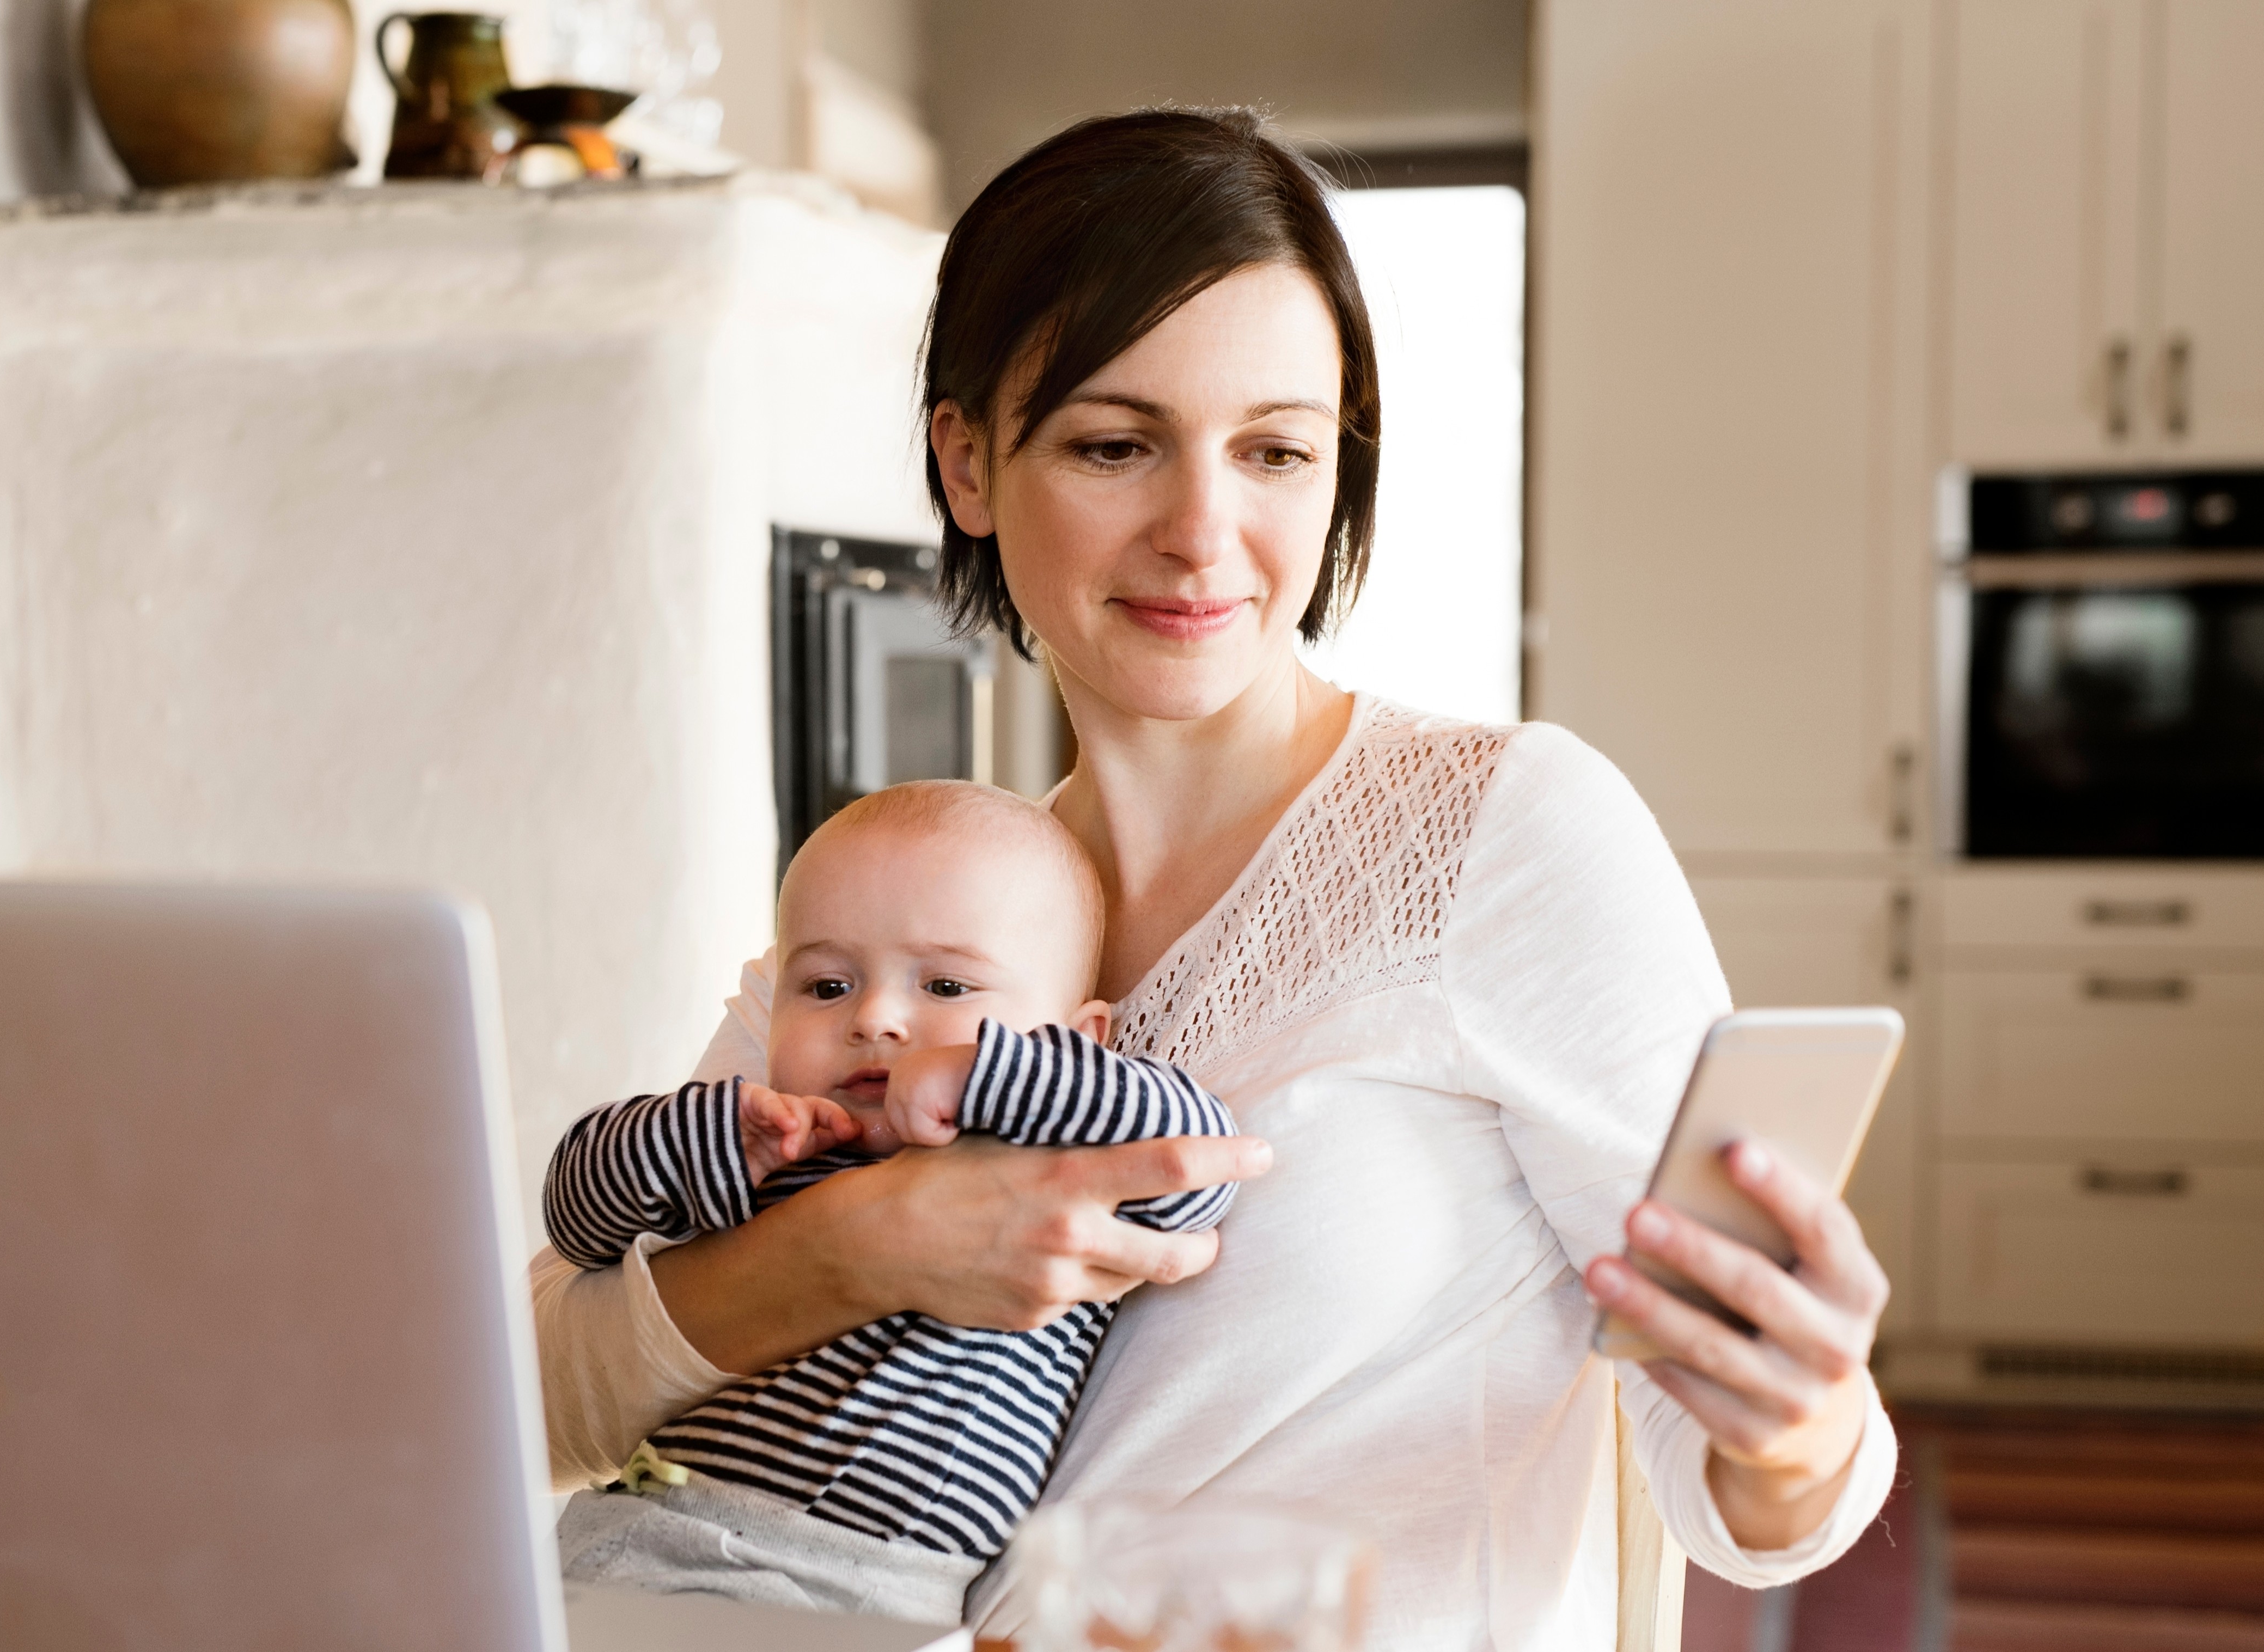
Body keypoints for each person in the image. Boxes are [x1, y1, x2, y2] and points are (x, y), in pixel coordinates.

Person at [530, 107, 1898, 1647]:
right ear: (968, 462)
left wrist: (1795, 1423)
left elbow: (1757, 1501)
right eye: (1116, 446)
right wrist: (868, 1242)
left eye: (1276, 451)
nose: (1203, 532)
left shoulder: (1507, 832)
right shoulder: (914, 907)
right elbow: (543, 1389)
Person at [545, 781, 1240, 1626]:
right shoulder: (777, 1143)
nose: (875, 1017)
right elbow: (576, 1217)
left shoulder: (1067, 1156)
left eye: (947, 988)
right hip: (658, 1543)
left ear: (1080, 1038)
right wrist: (707, 1133)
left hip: (884, 1599)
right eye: (826, 986)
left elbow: (1199, 1165)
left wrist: (986, 1073)